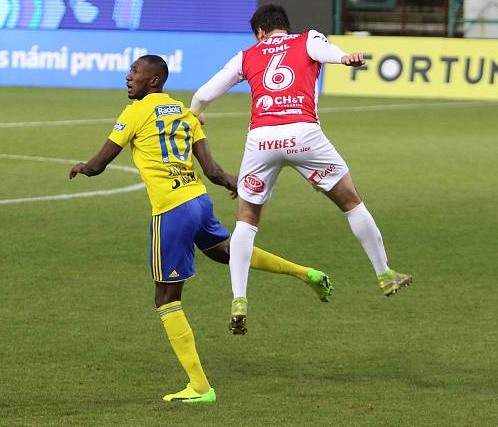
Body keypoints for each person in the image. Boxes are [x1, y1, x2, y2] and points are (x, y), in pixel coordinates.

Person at [69, 54, 333, 403]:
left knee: (166, 298)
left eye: (135, 71)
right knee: (227, 253)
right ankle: (306, 273)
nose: (128, 76)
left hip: (172, 210)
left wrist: (84, 167)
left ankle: (199, 387)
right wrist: (235, 183)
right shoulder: (183, 113)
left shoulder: (134, 112)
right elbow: (213, 171)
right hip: (198, 200)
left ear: (154, 80)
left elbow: (101, 163)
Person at [190, 4, 413, 335]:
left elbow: (204, 93)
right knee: (351, 201)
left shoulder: (247, 54)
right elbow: (328, 52)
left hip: (261, 140)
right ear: (285, 26)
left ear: (260, 32)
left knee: (246, 222)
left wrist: (197, 113)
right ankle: (384, 274)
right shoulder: (306, 39)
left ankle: (239, 299)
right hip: (304, 134)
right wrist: (345, 58)